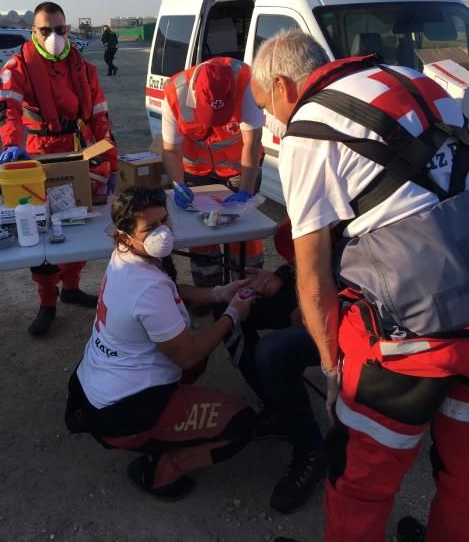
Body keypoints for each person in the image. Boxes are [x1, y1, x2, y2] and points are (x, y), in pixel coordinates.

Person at [251, 29, 469, 542]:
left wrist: (331, 369)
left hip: (406, 340)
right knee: (463, 477)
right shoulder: (422, 82)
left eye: (267, 107)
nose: (272, 121)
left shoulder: (311, 126)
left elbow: (312, 273)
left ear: (284, 86)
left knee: (359, 482)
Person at [65, 186, 255, 498]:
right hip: (122, 412)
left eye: (165, 221)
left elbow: (166, 289)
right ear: (125, 235)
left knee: (192, 352)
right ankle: (162, 471)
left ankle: (165, 425)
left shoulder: (123, 258)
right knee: (241, 424)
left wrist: (218, 293)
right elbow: (187, 355)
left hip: (95, 389)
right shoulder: (146, 288)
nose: (163, 233)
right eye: (151, 228)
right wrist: (232, 314)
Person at [0, 1, 118, 337]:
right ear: (34, 31)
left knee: (78, 220)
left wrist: (111, 159)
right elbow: (8, 107)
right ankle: (47, 301)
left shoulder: (83, 68)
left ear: (68, 29)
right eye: (45, 30)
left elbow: (101, 116)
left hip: (77, 152)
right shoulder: (18, 66)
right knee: (42, 229)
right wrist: (11, 145)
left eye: (59, 30)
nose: (53, 37)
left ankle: (72, 287)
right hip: (35, 156)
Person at [206, 217, 325, 514]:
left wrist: (315, 300)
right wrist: (285, 277)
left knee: (274, 353)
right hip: (313, 289)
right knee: (228, 308)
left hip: (354, 307)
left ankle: (310, 448)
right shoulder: (333, 184)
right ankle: (280, 410)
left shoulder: (391, 196)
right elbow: (317, 246)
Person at [163, 57, 264, 286]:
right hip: (196, 172)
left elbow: (252, 142)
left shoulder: (246, 81)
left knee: (245, 233)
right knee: (202, 234)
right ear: (195, 96)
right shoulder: (174, 92)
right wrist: (179, 185)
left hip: (240, 169)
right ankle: (209, 291)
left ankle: (248, 289)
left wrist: (246, 193)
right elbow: (170, 151)